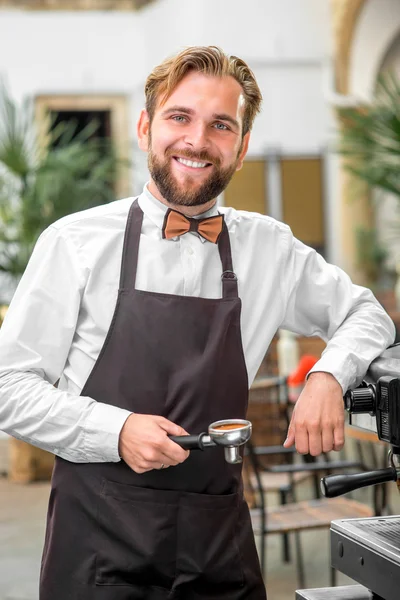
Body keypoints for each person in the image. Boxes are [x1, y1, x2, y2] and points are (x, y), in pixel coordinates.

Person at [0, 46, 395, 599]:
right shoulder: (74, 242)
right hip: (97, 548)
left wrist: (329, 375)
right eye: (179, 117)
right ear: (145, 127)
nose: (197, 140)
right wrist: (114, 431)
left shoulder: (268, 248)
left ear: (241, 146)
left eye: (221, 125)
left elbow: (365, 313)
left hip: (219, 547)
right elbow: (8, 388)